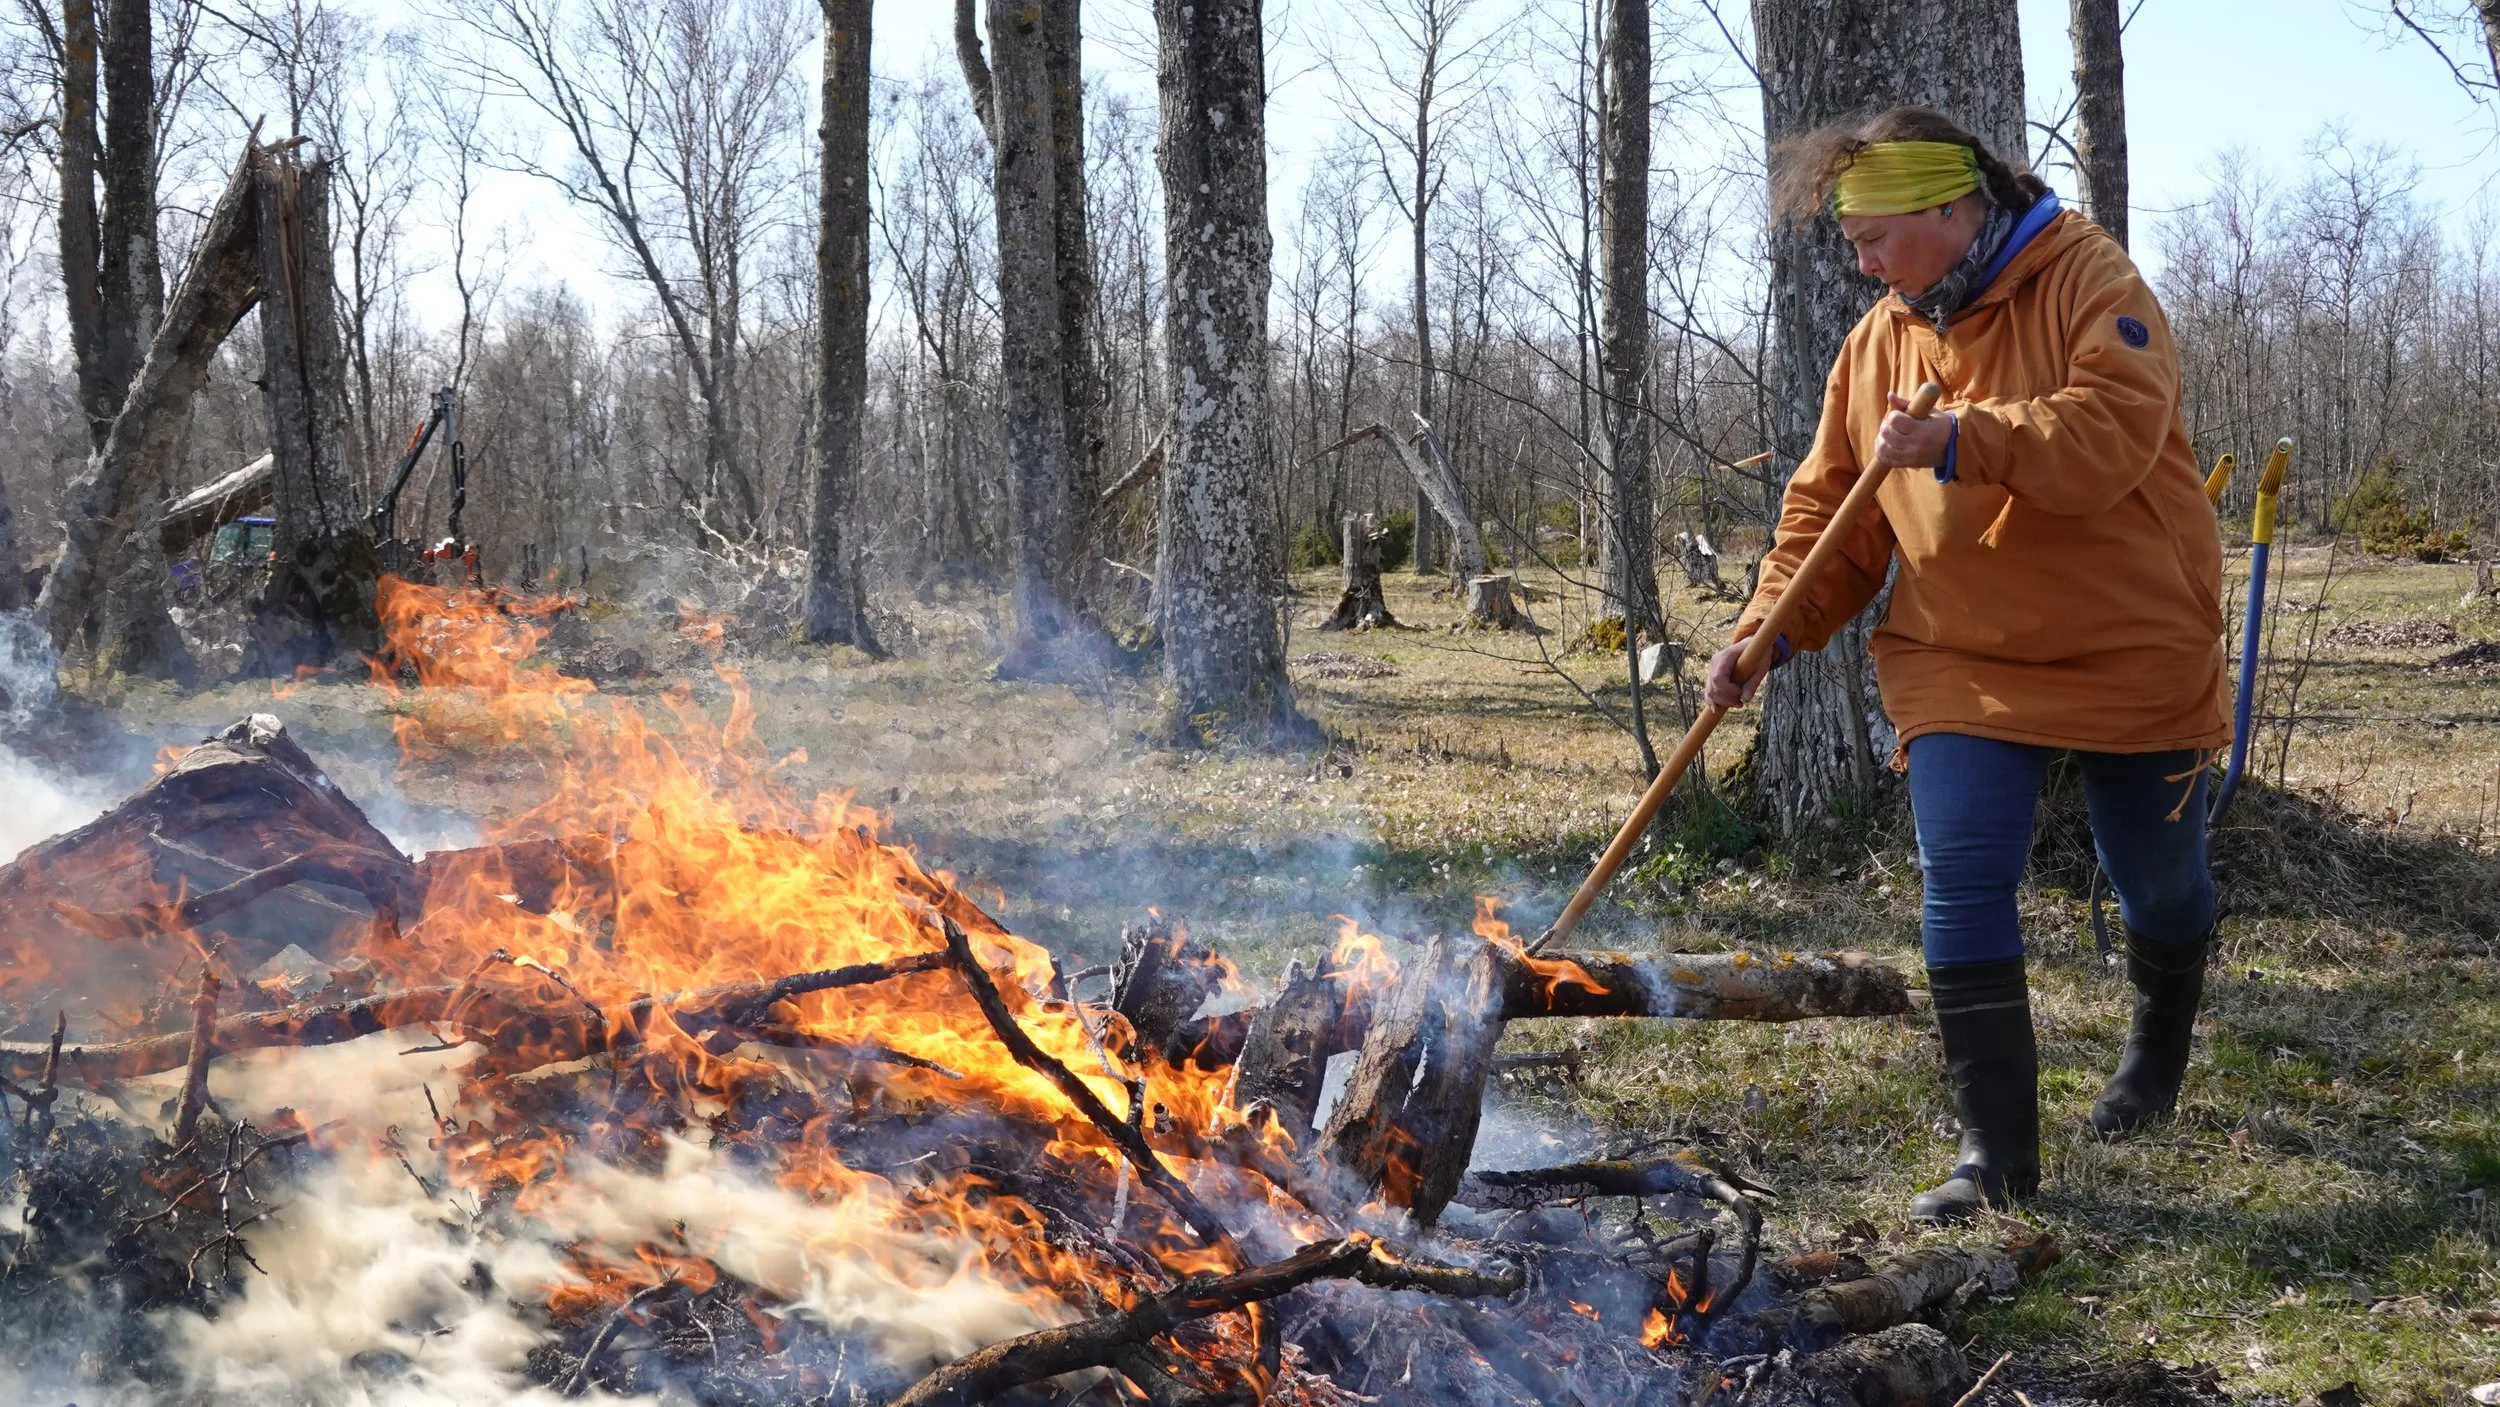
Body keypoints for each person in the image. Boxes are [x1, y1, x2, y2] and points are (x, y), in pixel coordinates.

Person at [1704, 107, 2229, 1224]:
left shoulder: (2089, 279)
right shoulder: (1881, 340)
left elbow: (2107, 436)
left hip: (2129, 640)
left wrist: (1961, 439)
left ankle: (2155, 1048)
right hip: (1958, 655)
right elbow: (1831, 517)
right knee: (1963, 874)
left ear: (1953, 209)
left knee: (2161, 885)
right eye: (1852, 243)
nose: (1861, 264)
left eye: (1876, 237)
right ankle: (1997, 1157)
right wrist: (1769, 630)